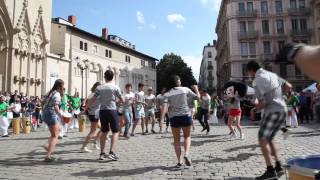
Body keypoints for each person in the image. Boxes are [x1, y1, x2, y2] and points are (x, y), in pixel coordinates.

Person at [246, 61, 289, 180]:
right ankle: (278, 166)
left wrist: (254, 110)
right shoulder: (272, 75)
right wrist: (279, 98)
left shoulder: (257, 80)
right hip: (282, 109)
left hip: (272, 111)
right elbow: (288, 86)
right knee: (269, 138)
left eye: (249, 72)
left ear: (251, 70)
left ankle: (270, 171)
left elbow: (264, 103)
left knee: (262, 139)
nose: (250, 75)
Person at [160, 75, 200, 167]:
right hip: (186, 115)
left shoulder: (167, 93)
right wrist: (196, 89)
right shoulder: (185, 89)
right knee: (187, 136)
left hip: (174, 117)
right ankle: (186, 154)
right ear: (179, 81)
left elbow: (165, 107)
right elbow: (198, 98)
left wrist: (161, 120)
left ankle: (179, 161)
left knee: (176, 140)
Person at [88, 70, 123, 161]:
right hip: (112, 110)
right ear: (113, 77)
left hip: (102, 111)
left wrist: (86, 108)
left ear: (104, 77)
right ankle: (112, 152)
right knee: (115, 132)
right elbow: (122, 99)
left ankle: (102, 153)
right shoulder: (115, 87)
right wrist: (116, 101)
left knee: (104, 131)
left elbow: (93, 99)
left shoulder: (99, 88)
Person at [42, 79, 64, 162]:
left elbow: (42, 102)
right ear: (59, 86)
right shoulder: (57, 94)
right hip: (51, 113)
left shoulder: (50, 92)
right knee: (55, 136)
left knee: (57, 131)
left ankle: (47, 146)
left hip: (45, 112)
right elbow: (55, 106)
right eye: (62, 86)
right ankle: (48, 156)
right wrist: (60, 116)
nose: (63, 87)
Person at [80, 82, 102, 153]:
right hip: (94, 114)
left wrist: (86, 110)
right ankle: (84, 147)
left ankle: (94, 143)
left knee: (102, 128)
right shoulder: (96, 95)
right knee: (93, 131)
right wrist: (85, 110)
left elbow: (87, 104)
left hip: (92, 113)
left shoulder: (91, 94)